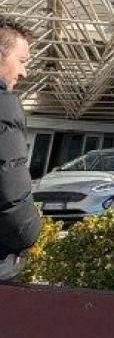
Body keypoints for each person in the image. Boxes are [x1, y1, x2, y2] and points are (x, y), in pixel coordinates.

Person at [0, 18, 41, 280]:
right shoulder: (4, 108)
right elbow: (8, 189)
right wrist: (29, 231)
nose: (24, 72)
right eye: (22, 61)